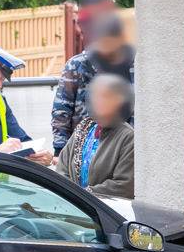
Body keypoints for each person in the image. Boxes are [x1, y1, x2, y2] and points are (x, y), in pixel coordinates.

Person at [51, 12, 135, 156]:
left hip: (124, 147)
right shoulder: (77, 65)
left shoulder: (133, 65)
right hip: (83, 148)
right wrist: (60, 150)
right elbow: (62, 110)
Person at [56, 74, 134, 199]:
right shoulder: (84, 127)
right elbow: (62, 167)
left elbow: (124, 186)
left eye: (107, 99)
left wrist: (82, 196)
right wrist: (70, 195)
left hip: (105, 208)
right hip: (74, 204)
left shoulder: (128, 137)